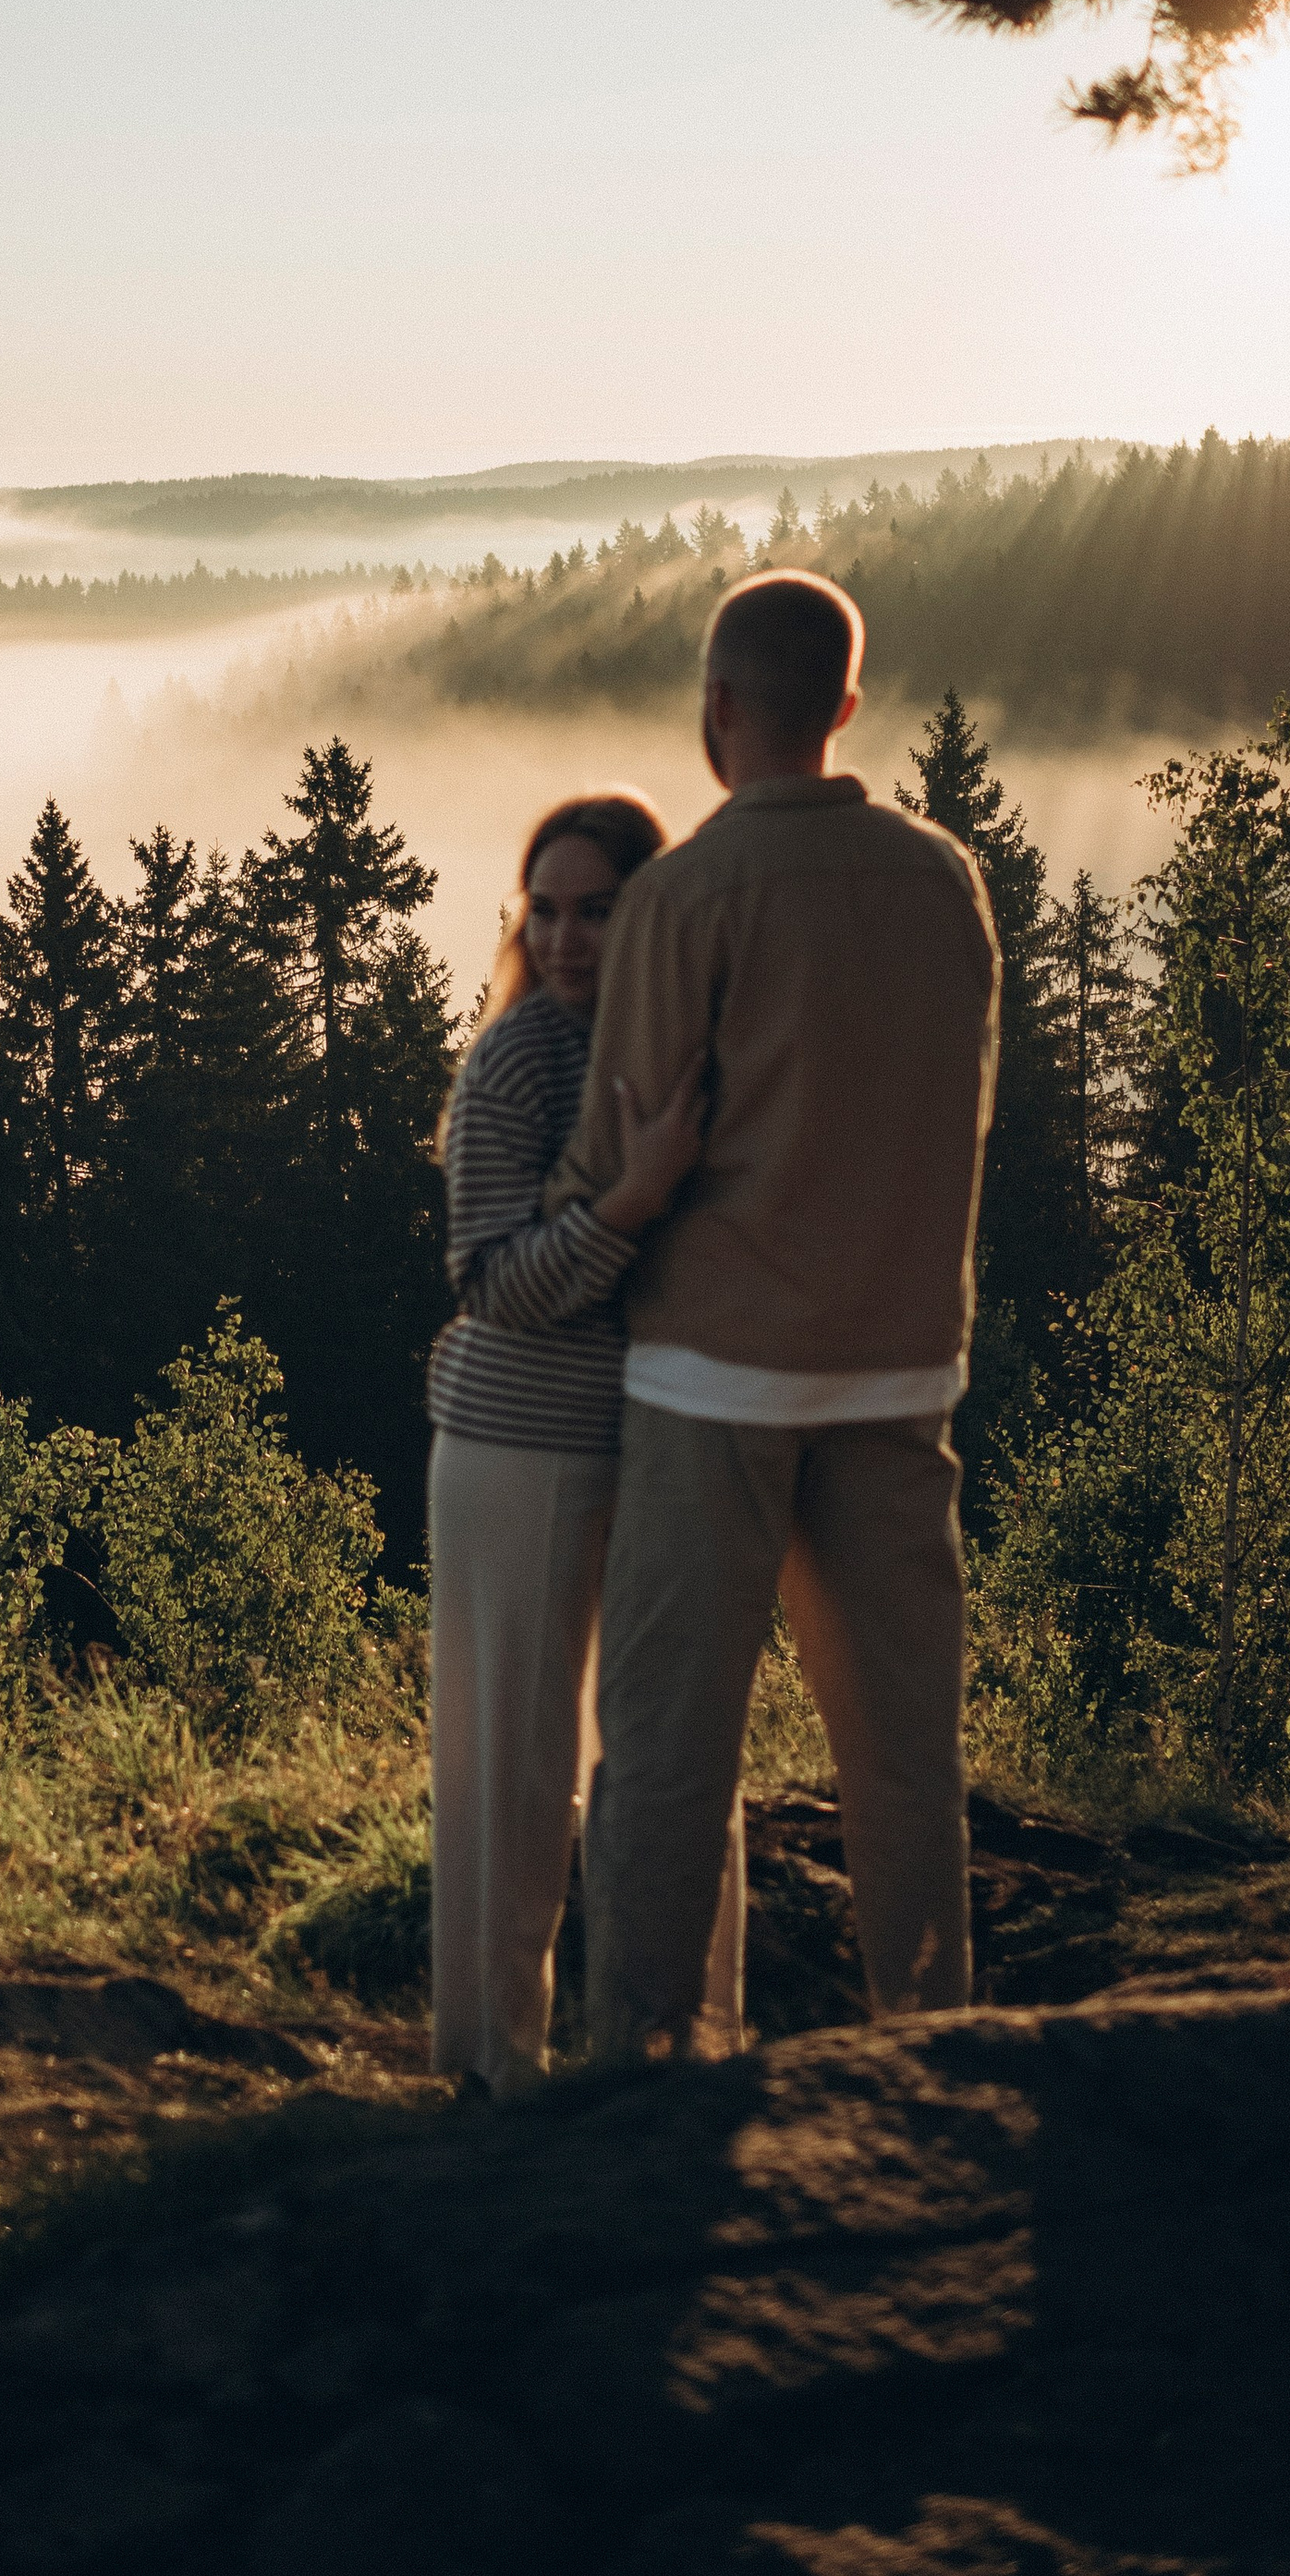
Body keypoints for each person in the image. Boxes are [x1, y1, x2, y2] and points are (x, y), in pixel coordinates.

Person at [546, 572, 999, 2060]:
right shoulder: (944, 883)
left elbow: (622, 1152)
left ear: (718, 709)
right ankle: (927, 2039)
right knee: (904, 1760)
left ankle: (638, 2059)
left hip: (714, 1376)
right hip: (894, 1367)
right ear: (848, 708)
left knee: (671, 1754)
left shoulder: (687, 896)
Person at [424, 791, 723, 2098]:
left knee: (667, 1755)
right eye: (543, 908)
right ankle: (495, 2074)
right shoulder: (520, 1057)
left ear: (647, 910)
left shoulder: (684, 1048)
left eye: (596, 908)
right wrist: (635, 1200)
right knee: (516, 1777)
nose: (564, 937)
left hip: (659, 1441)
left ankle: (682, 2046)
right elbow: (490, 1280)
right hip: (517, 1451)